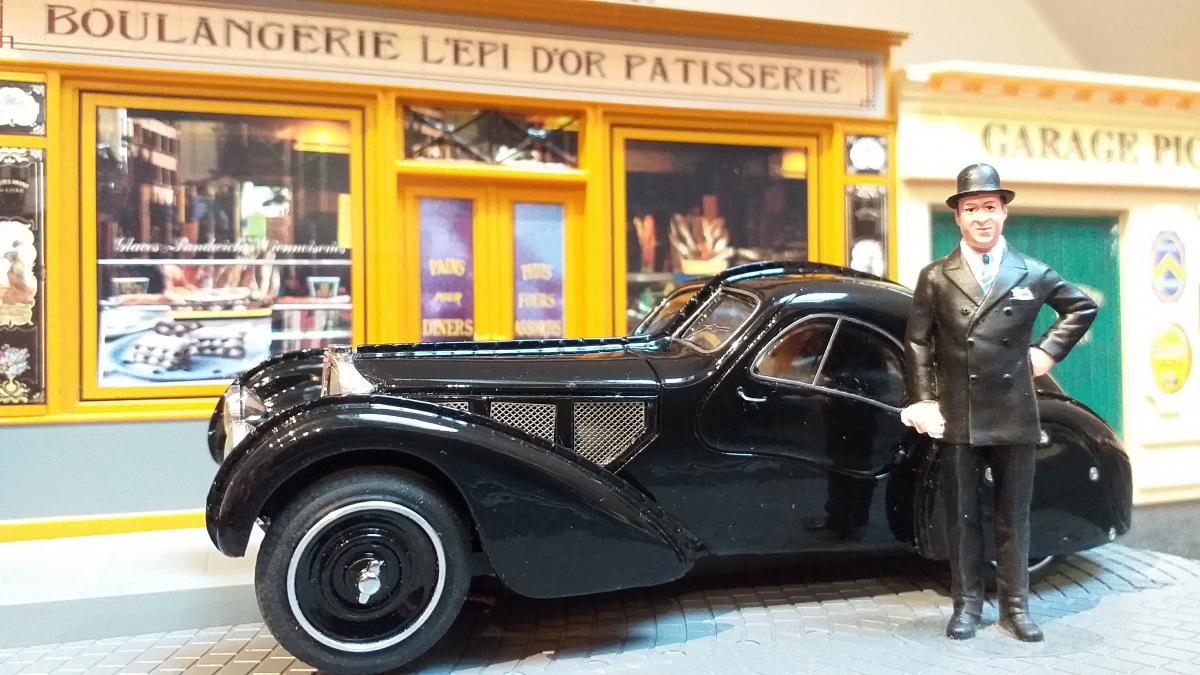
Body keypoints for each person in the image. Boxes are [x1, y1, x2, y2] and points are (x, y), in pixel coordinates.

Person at [901, 163, 1097, 642]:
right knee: (962, 516)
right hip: (959, 411)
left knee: (1014, 516)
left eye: (989, 206)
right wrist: (924, 400)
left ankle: (1016, 607)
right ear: (958, 217)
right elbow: (918, 342)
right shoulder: (936, 276)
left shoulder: (1031, 271)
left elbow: (1081, 306)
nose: (981, 217)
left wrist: (1047, 352)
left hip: (1013, 408)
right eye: (971, 208)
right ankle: (967, 605)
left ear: (1004, 212)